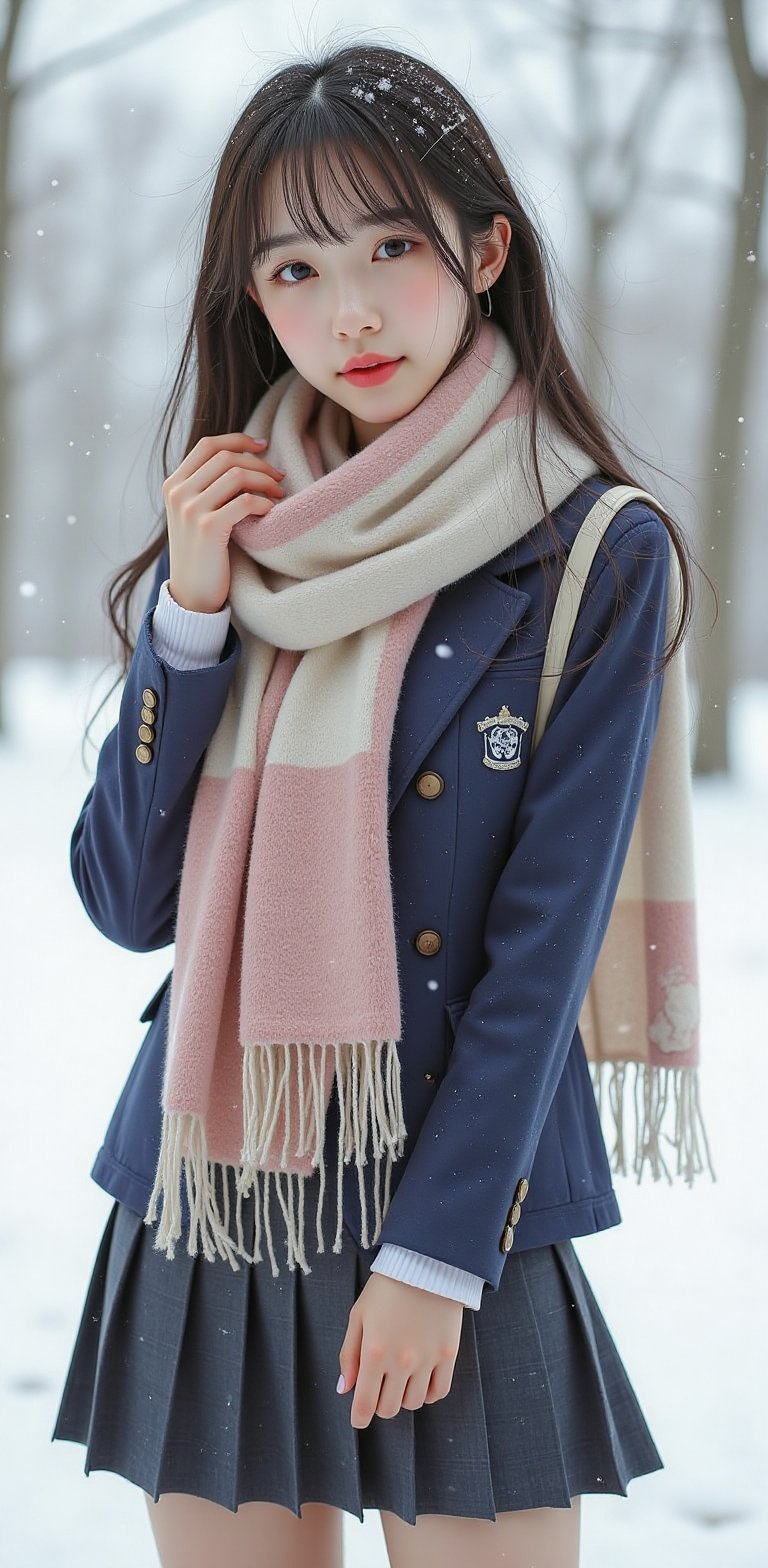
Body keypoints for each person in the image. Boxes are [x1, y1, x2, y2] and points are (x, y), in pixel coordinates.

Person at [51, 36, 710, 1568]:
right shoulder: (238, 537)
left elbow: (540, 956)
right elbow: (122, 901)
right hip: (218, 1180)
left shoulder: (593, 555)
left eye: (390, 246)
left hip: (459, 1193)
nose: (344, 311)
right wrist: (195, 625)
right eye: (290, 269)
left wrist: (437, 1250)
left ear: (486, 249)